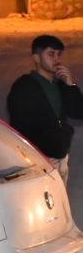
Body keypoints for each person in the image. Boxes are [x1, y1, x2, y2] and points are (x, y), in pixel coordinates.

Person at [7, 34, 83, 182]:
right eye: (51, 54)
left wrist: (70, 85)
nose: (57, 59)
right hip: (40, 161)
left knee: (60, 203)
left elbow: (78, 112)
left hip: (61, 158)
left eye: (58, 54)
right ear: (36, 58)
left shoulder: (60, 85)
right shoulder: (24, 86)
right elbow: (20, 126)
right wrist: (37, 158)